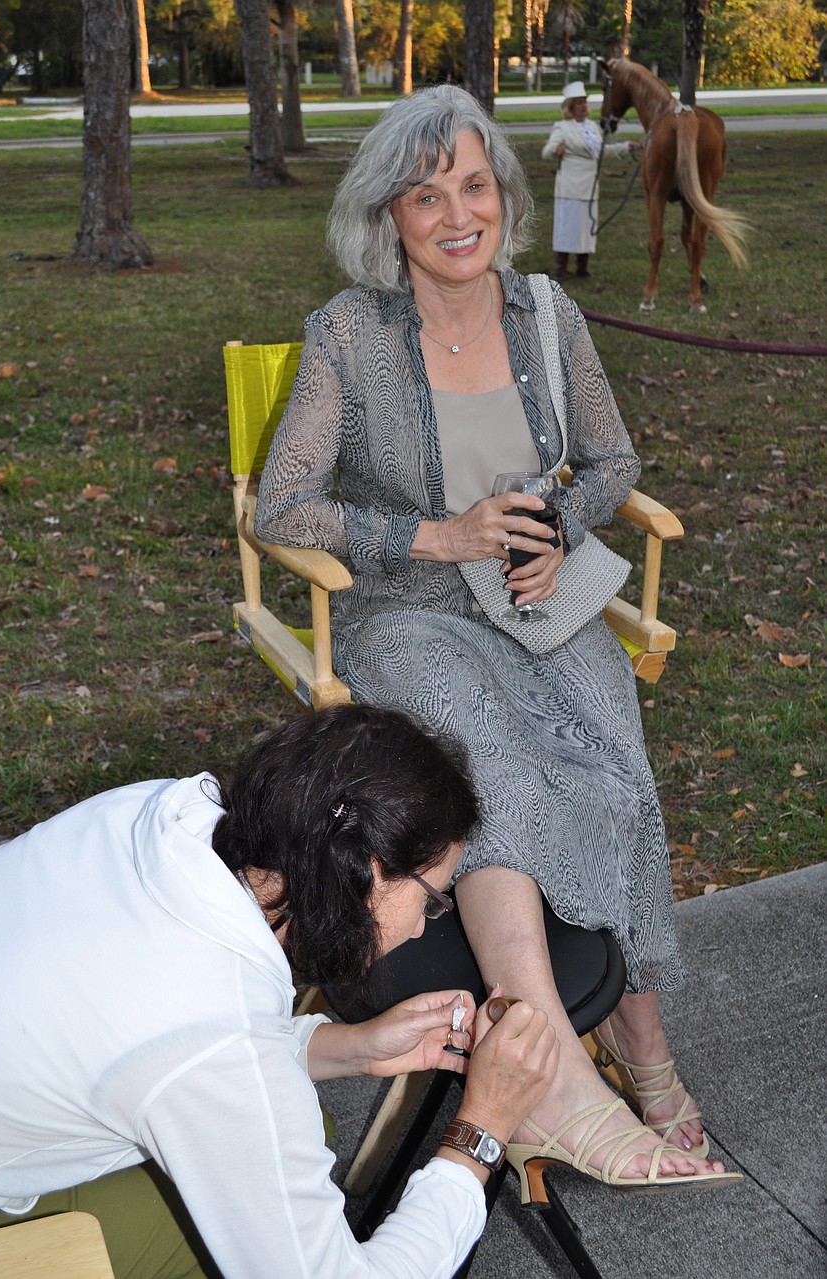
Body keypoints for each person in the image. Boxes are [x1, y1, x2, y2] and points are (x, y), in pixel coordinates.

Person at [256, 84, 741, 1200]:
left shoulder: (547, 316)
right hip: (408, 610)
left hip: (536, 600)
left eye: (474, 184)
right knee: (499, 772)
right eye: (425, 195)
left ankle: (641, 1046)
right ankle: (553, 1079)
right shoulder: (347, 334)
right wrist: (440, 534)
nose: (455, 212)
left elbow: (610, 462)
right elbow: (282, 507)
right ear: (390, 221)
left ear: (506, 199)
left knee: (620, 766)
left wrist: (555, 529)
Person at [0, 704, 561, 1279]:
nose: (418, 927)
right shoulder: (209, 1031)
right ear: (369, 872)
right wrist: (482, 1127)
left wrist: (354, 1046)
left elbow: (170, 1042)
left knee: (302, 1142)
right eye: (430, 899)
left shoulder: (161, 812)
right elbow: (208, 1052)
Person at [542, 79, 640, 281]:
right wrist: (556, 149)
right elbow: (546, 151)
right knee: (567, 226)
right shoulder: (562, 127)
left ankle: (582, 267)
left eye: (585, 102)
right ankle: (561, 269)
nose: (584, 106)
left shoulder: (593, 128)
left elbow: (603, 151)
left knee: (586, 226)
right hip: (570, 186)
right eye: (579, 102)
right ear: (570, 107)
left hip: (590, 186)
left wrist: (625, 146)